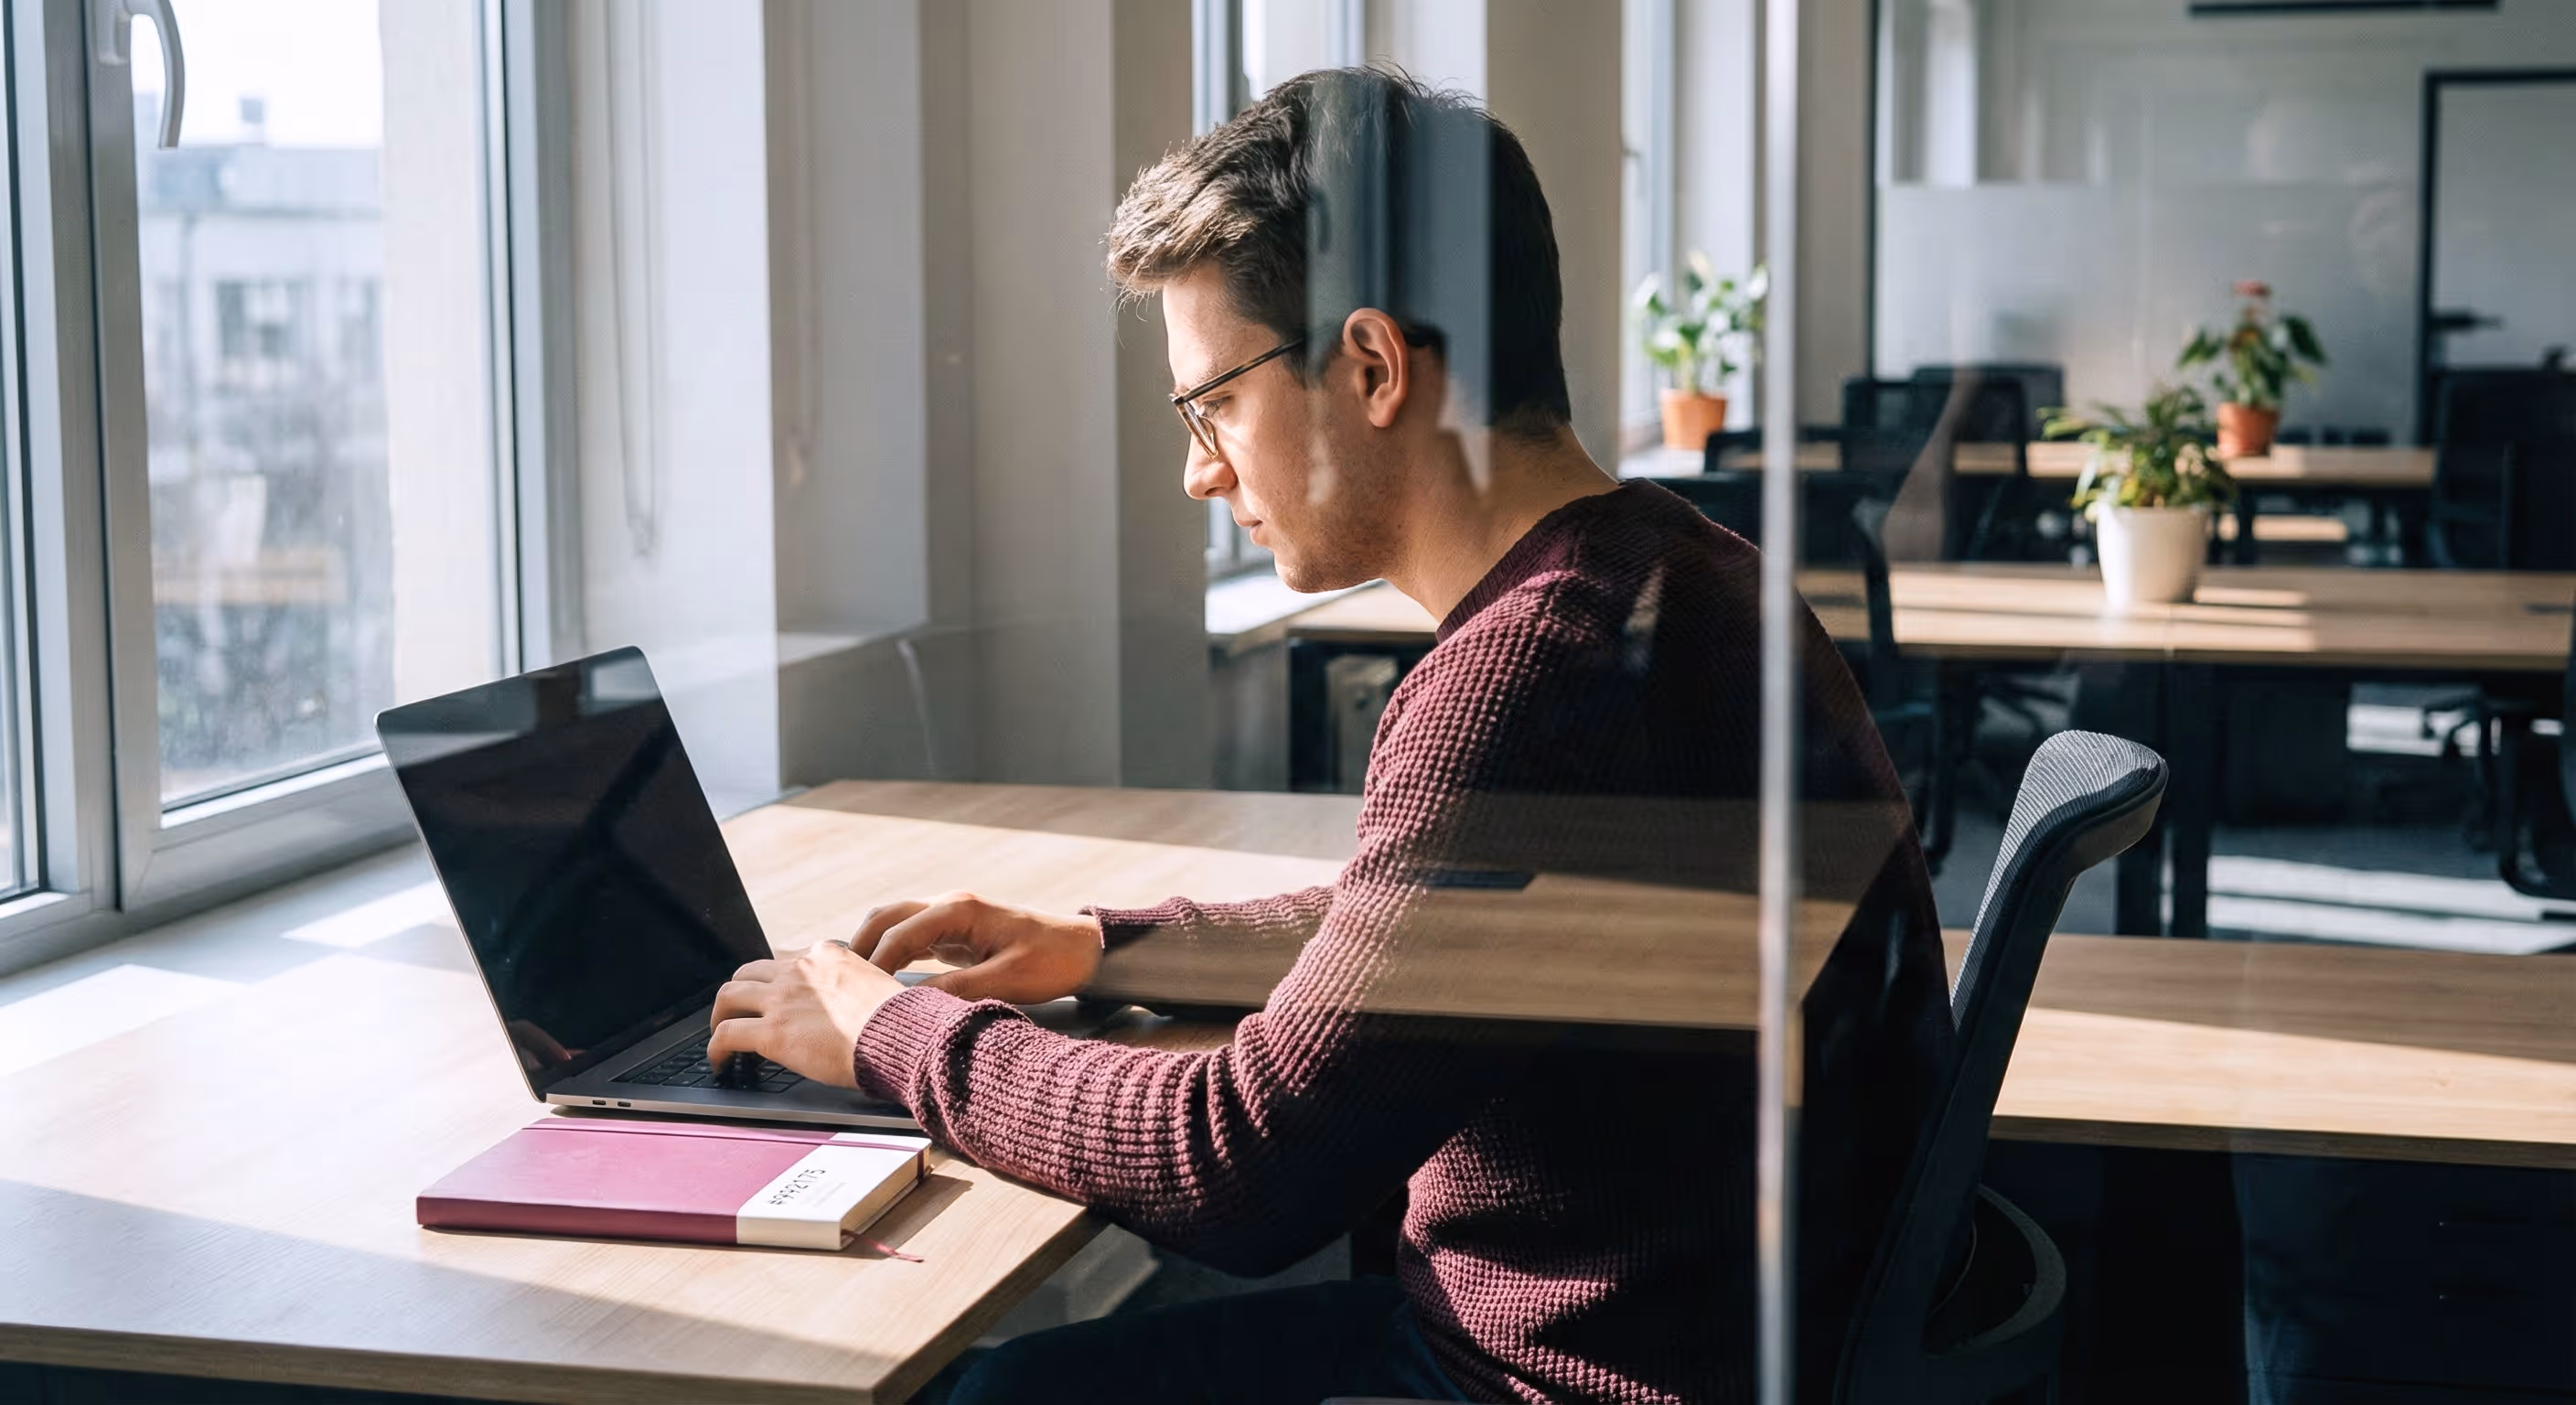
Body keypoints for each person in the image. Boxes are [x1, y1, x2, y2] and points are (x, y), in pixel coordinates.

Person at [708, 68, 1953, 1404]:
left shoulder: (1536, 673)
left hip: (1555, 1383)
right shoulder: (1688, 578)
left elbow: (1236, 1168)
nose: (1200, 469)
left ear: (1370, 366)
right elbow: (1442, 917)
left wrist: (887, 1034)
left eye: (1215, 405)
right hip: (1724, 1338)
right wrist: (1113, 944)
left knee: (976, 1395)